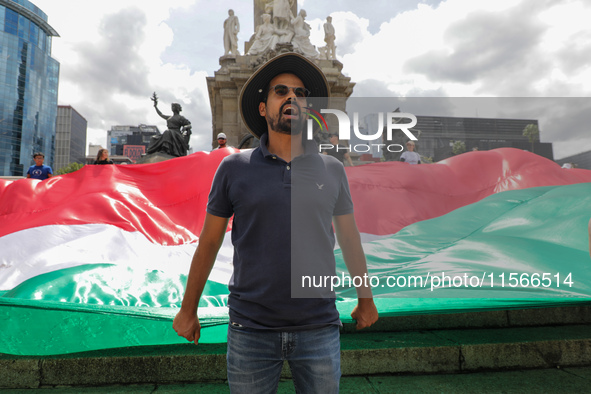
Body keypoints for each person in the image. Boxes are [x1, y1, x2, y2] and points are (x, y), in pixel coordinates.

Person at [173, 53, 378, 393]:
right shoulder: (233, 168)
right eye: (281, 91)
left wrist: (366, 298)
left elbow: (349, 237)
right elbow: (208, 242)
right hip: (250, 328)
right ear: (263, 108)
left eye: (300, 93)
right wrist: (188, 308)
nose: (291, 98)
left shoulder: (332, 169)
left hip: (318, 325)